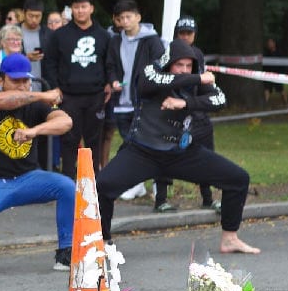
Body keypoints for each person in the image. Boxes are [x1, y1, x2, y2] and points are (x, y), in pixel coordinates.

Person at [96, 40, 260, 254]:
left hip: (181, 153)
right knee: (102, 185)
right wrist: (198, 77)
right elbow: (150, 82)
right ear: (168, 63)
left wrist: (187, 103)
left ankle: (229, 238)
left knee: (238, 179)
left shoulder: (196, 80)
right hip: (143, 152)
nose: (184, 70)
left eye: (188, 66)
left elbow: (219, 100)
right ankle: (102, 242)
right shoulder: (152, 72)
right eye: (179, 65)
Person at [0, 53, 74, 273]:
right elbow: (3, 101)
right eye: (15, 81)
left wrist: (34, 131)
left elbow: (65, 121)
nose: (22, 86)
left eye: (25, 80)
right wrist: (42, 95)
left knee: (67, 187)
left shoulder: (36, 106)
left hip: (27, 178)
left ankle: (66, 251)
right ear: (0, 80)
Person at [42, 0, 113, 180]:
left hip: (95, 95)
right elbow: (49, 62)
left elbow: (111, 62)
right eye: (76, 7)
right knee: (69, 140)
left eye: (83, 7)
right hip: (68, 95)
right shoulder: (59, 35)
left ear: (91, 8)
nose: (80, 11)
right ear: (71, 9)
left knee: (94, 141)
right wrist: (54, 86)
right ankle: (67, 182)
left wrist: (109, 83)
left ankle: (93, 183)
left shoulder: (104, 35)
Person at [152, 16, 218, 212]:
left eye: (189, 33)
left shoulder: (197, 53)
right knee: (164, 154)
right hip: (173, 112)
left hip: (196, 111)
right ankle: (161, 199)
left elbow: (203, 84)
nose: (185, 37)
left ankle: (208, 198)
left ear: (194, 35)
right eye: (182, 33)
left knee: (206, 156)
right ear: (176, 34)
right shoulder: (166, 53)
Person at [102, 0, 160, 200]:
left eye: (129, 17)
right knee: (129, 143)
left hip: (142, 101)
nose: (125, 21)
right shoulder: (115, 40)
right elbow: (110, 65)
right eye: (121, 18)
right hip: (121, 102)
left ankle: (153, 183)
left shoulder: (151, 40)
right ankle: (137, 183)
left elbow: (158, 67)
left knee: (146, 142)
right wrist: (113, 80)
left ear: (138, 17)